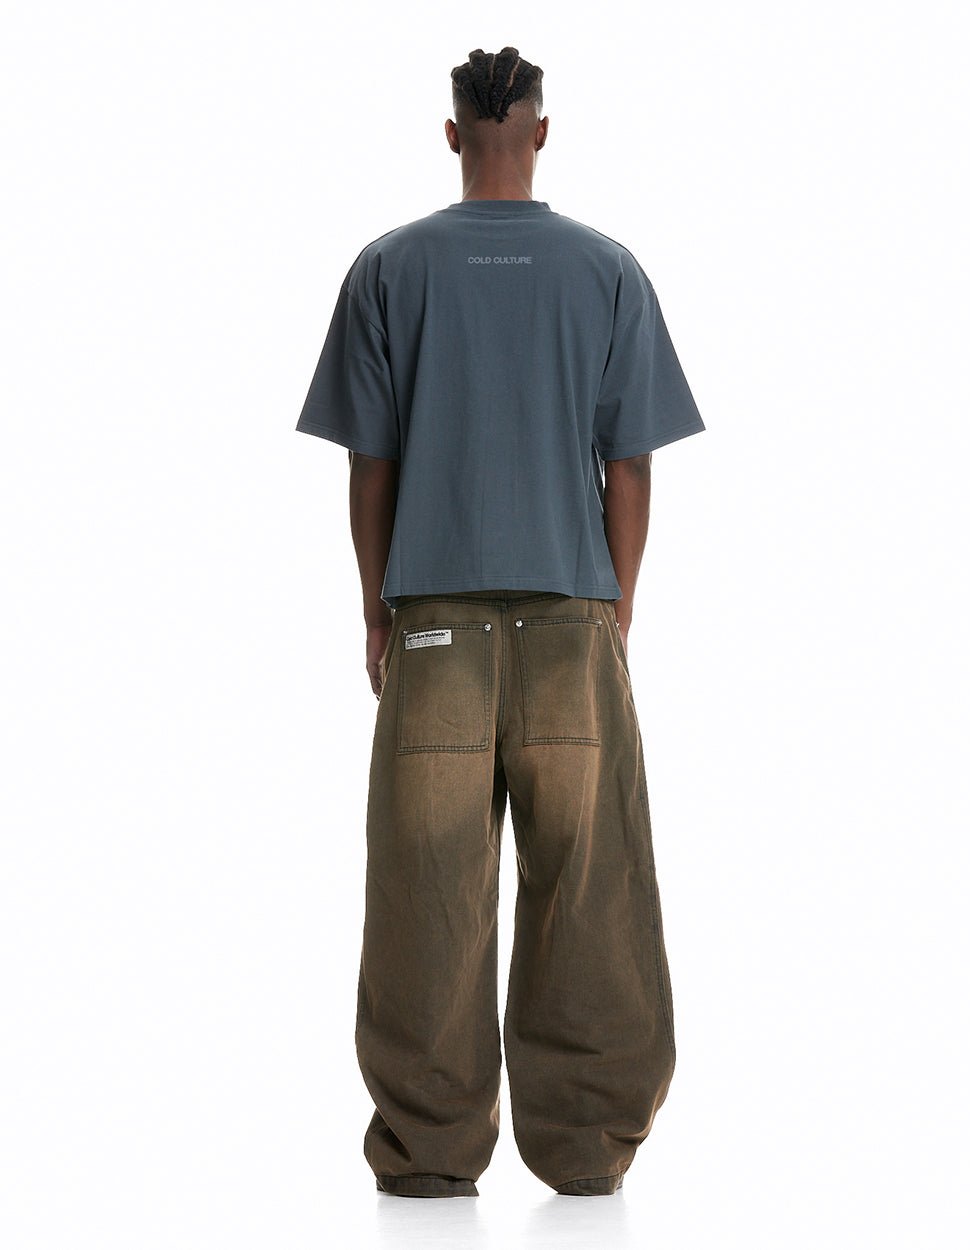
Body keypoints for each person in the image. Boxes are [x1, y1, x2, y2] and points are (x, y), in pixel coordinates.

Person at [294, 46, 706, 1199]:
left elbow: (370, 464)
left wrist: (378, 607)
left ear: (450, 135)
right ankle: (585, 1147)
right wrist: (615, 604)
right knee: (591, 883)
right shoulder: (606, 269)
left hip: (432, 624)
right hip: (571, 618)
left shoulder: (388, 267)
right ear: (541, 132)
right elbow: (630, 463)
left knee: (427, 893)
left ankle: (429, 1151)